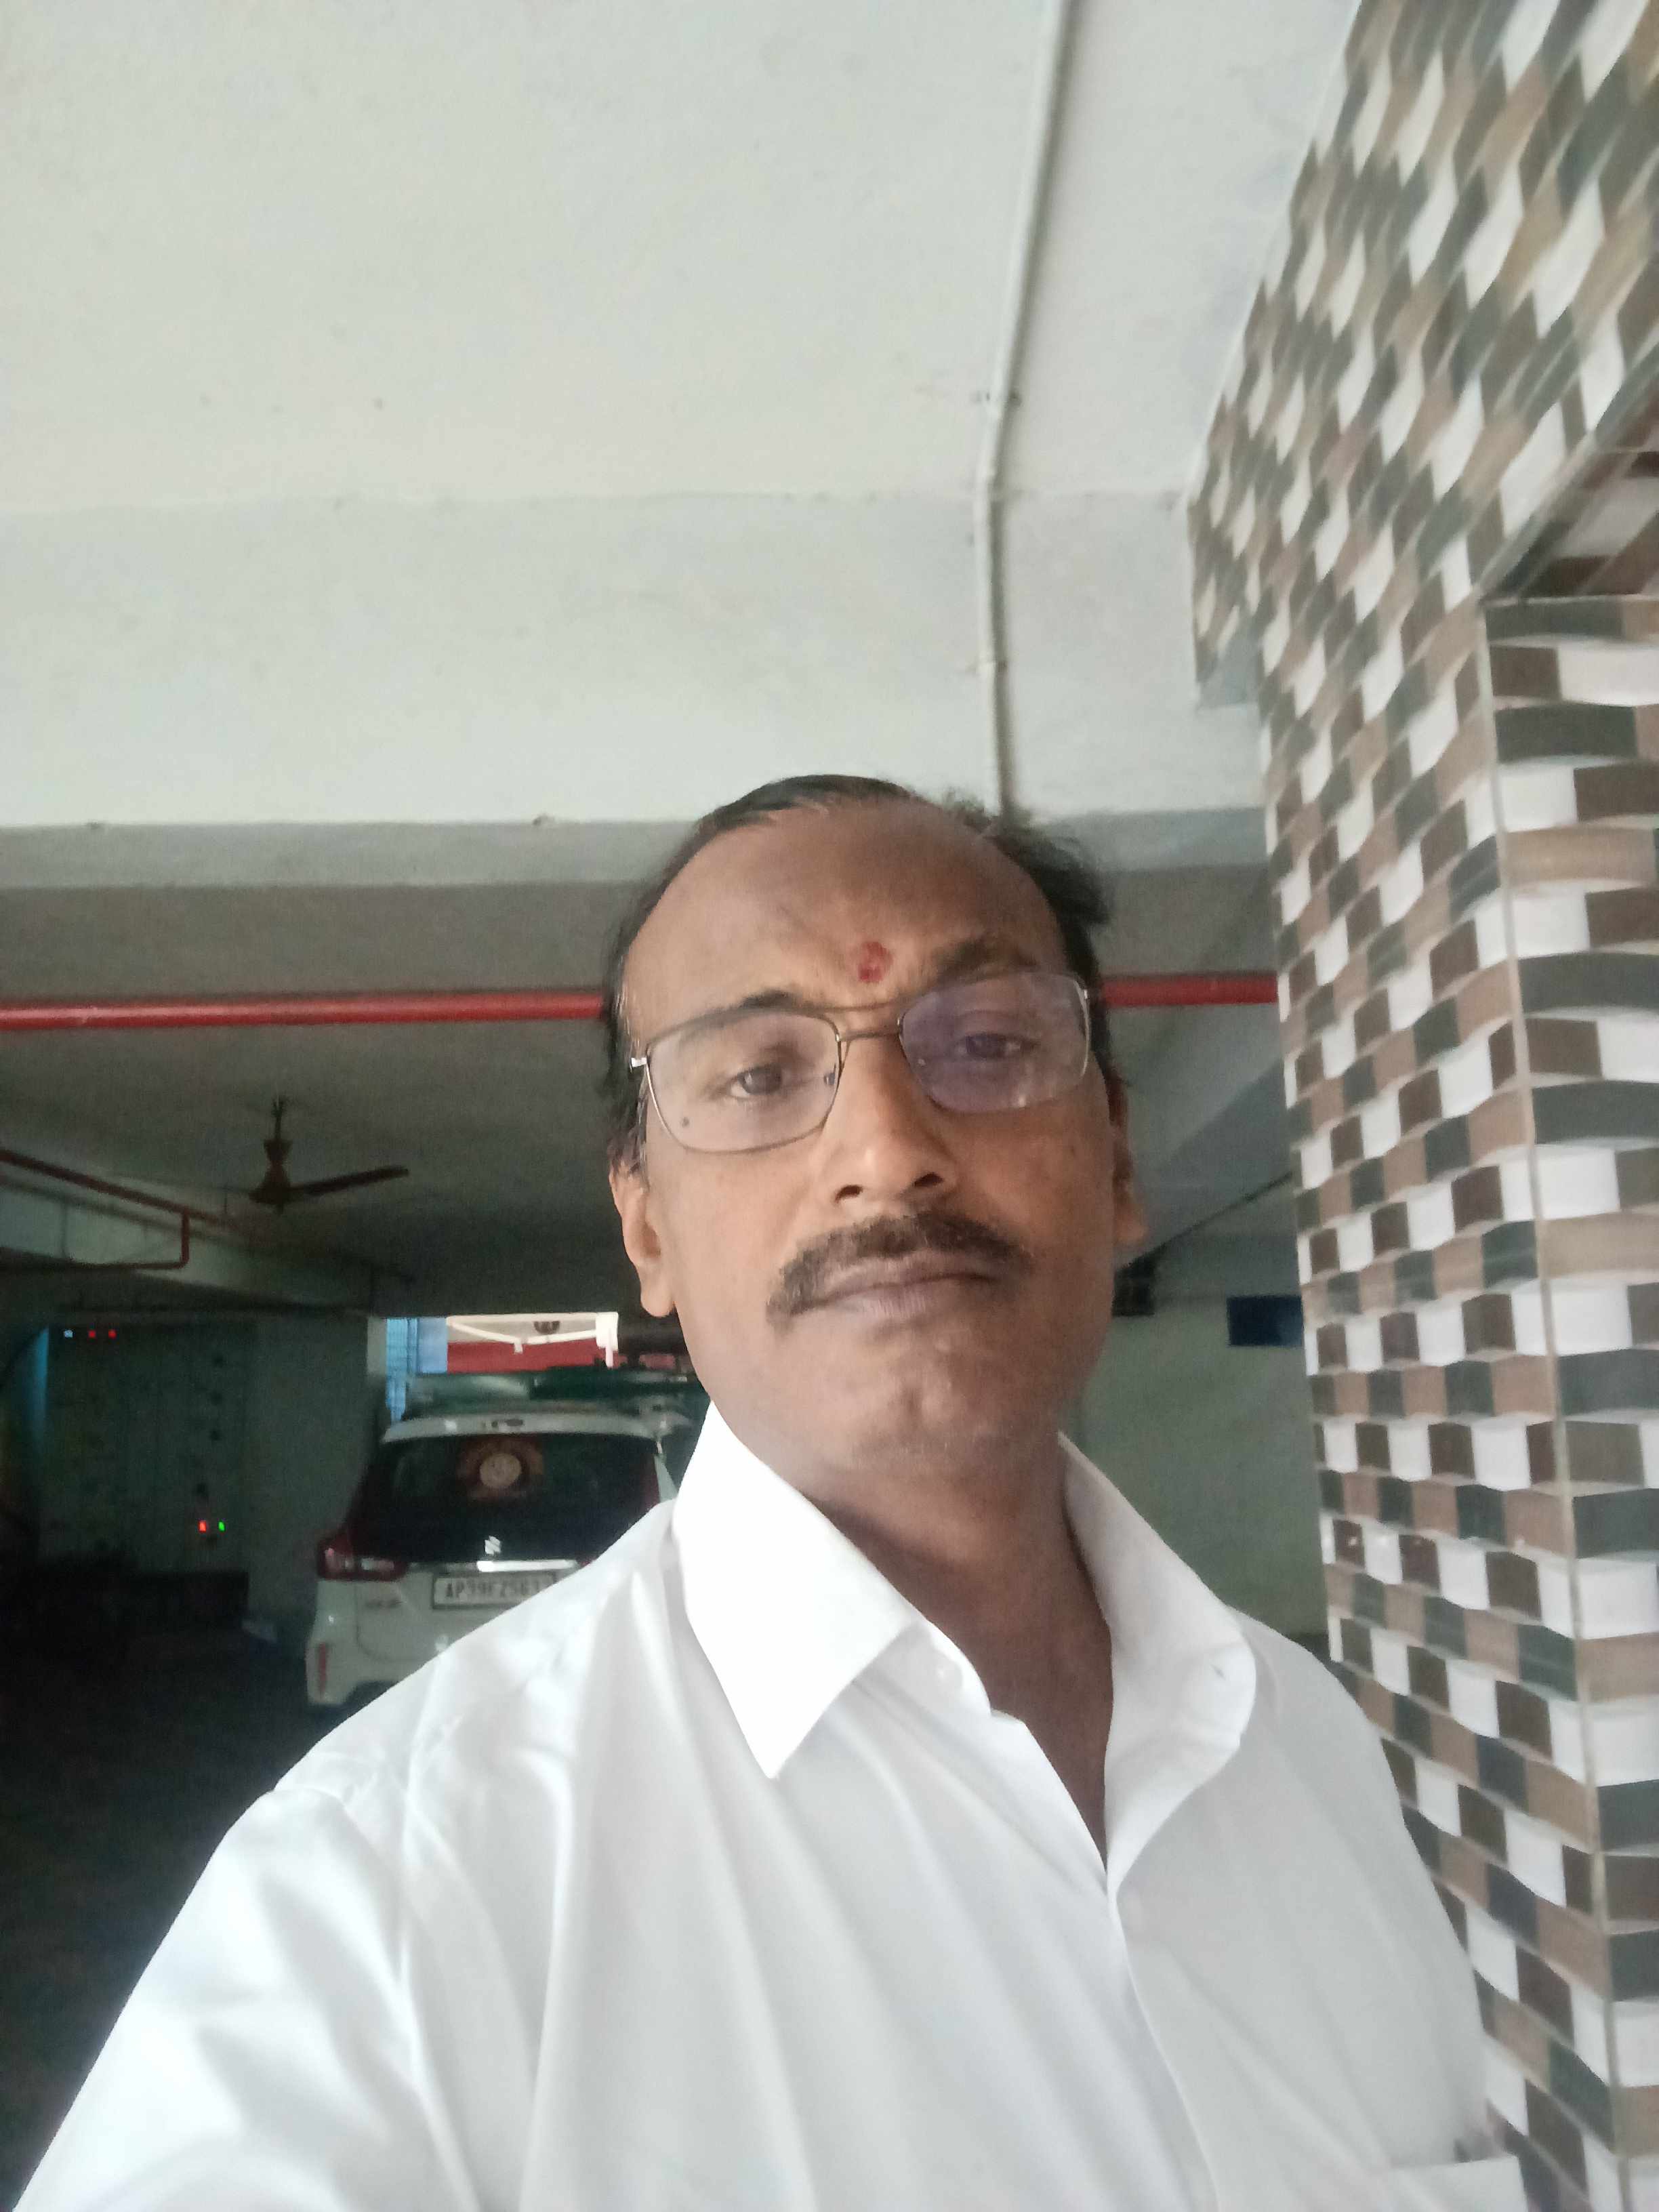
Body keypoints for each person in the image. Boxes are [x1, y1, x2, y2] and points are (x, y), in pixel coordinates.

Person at [20, 775, 1520, 2211]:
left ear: (1117, 1158)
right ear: (647, 1232)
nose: (887, 1152)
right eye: (756, 1074)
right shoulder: (388, 1896)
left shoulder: (1309, 1748)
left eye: (988, 1042)